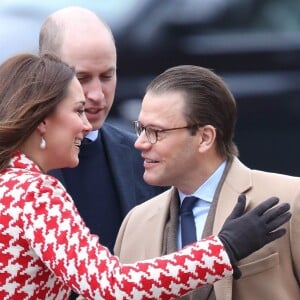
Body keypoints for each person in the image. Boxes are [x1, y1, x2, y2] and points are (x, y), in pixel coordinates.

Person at [0, 54, 291, 299]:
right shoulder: (32, 192)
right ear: (42, 121)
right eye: (78, 110)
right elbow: (110, 285)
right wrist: (224, 249)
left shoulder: (11, 185)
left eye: (156, 131)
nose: (86, 125)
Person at [114, 65, 300, 300]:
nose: (139, 143)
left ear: (205, 138)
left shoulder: (290, 198)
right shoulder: (135, 224)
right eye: (140, 128)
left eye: (155, 131)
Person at [38, 6, 167, 254]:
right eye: (82, 78)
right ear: (46, 72)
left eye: (107, 76)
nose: (97, 95)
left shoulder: (144, 157)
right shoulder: (14, 162)